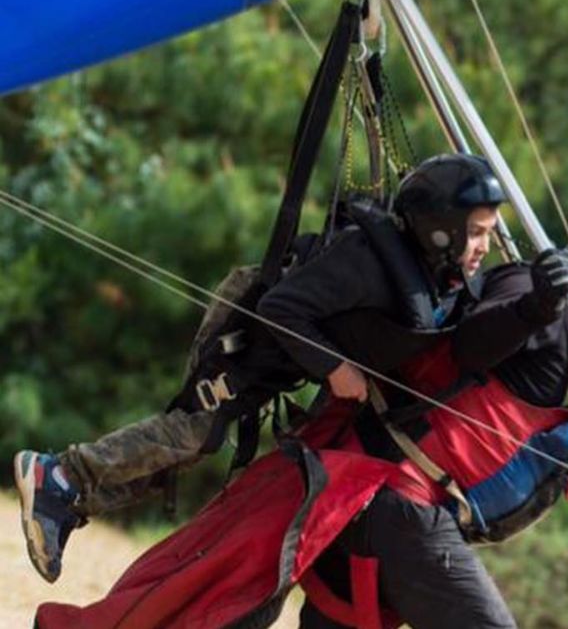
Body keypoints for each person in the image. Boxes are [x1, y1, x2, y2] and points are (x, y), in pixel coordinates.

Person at [34, 193, 568, 629]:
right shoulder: (535, 292)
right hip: (390, 496)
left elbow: (512, 413)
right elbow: (469, 342)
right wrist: (533, 306)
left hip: (389, 507)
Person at [13, 152, 506, 584]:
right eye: (477, 232)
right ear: (440, 227)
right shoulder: (365, 262)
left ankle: (69, 499)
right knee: (196, 433)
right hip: (249, 323)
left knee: (191, 447)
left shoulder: (427, 275)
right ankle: (58, 477)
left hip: (278, 351)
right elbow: (279, 307)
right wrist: (334, 367)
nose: (484, 245)